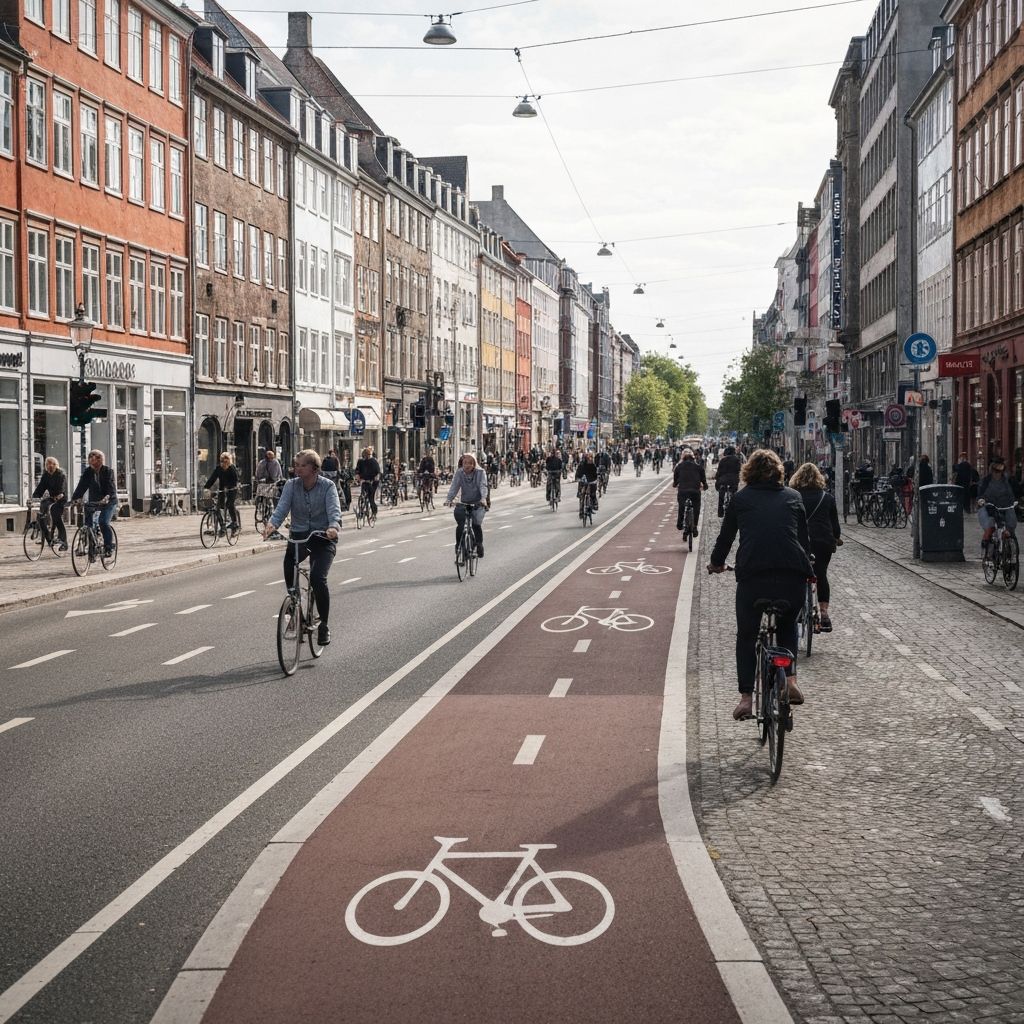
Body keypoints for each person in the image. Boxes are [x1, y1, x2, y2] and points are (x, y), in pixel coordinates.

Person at [708, 449, 813, 721]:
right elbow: (804, 541)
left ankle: (746, 699)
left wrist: (716, 563)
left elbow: (725, 538)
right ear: (779, 472)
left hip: (753, 578)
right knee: (788, 624)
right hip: (792, 576)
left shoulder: (741, 499)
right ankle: (791, 682)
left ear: (748, 472)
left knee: (746, 635)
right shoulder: (794, 497)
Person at [263, 449, 341, 646]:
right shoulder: (291, 485)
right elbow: (282, 508)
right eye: (296, 465)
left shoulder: (328, 486)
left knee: (317, 578)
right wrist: (272, 524)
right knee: (289, 563)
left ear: (314, 468)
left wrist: (333, 527)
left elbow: (334, 510)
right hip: (299, 537)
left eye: (303, 465)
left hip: (322, 537)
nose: (298, 469)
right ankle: (294, 604)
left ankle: (324, 625)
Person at [790, 462, 841, 632]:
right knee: (821, 574)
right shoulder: (827, 498)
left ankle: (798, 609)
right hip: (822, 542)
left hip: (798, 542)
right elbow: (835, 526)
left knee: (797, 575)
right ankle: (824, 613)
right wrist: (836, 538)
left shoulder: (792, 496)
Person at [71, 449, 118, 555]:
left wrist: (107, 497)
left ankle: (108, 547)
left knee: (103, 522)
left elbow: (110, 487)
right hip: (94, 501)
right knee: (88, 524)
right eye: (90, 458)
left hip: (109, 501)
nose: (92, 460)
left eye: (95, 457)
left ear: (101, 459)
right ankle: (88, 548)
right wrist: (75, 499)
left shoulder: (108, 471)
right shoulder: (88, 472)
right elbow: (81, 487)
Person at [445, 452, 489, 558]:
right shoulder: (459, 473)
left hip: (478, 502)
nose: (467, 465)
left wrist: (483, 499)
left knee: (476, 524)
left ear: (474, 464)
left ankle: (479, 544)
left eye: (470, 463)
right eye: (465, 463)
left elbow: (483, 486)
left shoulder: (480, 472)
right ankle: (459, 546)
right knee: (461, 524)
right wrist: (449, 499)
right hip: (464, 502)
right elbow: (454, 486)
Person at [977, 456, 1019, 550]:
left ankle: (1011, 549)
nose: (997, 473)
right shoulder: (986, 481)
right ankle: (987, 546)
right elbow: (980, 493)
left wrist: (1016, 501)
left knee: (1011, 524)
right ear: (991, 470)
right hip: (989, 507)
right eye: (995, 470)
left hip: (1006, 506)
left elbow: (1015, 492)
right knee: (989, 525)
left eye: (999, 470)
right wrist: (981, 500)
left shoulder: (1008, 480)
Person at [32, 456, 68, 550]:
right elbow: (41, 487)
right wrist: (35, 497)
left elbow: (62, 488)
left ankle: (63, 541)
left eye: (52, 464)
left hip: (61, 498)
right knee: (42, 510)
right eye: (47, 464)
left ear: (56, 465)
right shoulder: (46, 475)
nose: (49, 466)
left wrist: (59, 495)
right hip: (52, 498)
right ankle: (47, 537)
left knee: (55, 514)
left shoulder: (61, 474)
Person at [673, 448, 707, 535]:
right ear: (693, 458)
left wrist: (675, 484)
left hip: (683, 490)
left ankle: (680, 524)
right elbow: (703, 478)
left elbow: (675, 478)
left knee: (681, 506)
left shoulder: (679, 467)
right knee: (696, 507)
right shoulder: (698, 467)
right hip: (695, 491)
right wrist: (705, 485)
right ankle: (695, 526)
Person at [204, 452, 240, 534]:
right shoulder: (218, 469)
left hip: (232, 489)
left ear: (229, 462)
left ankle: (234, 522)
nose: (224, 464)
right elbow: (212, 478)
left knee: (229, 504)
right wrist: (206, 487)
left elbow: (235, 480)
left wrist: (229, 487)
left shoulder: (232, 468)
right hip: (222, 489)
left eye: (226, 462)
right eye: (222, 461)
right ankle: (222, 526)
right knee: (218, 508)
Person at [715, 446, 742, 517]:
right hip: (734, 481)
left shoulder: (722, 460)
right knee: (734, 494)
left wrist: (717, 480)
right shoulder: (737, 460)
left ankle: (720, 513)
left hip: (723, 481)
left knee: (721, 496)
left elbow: (719, 472)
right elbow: (739, 470)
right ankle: (734, 511)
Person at [354, 446, 381, 517]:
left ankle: (374, 512)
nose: (366, 457)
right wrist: (357, 476)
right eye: (365, 456)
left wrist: (375, 478)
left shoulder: (373, 461)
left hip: (372, 482)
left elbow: (377, 471)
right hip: (364, 480)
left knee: (371, 497)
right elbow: (357, 470)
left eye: (368, 455)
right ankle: (361, 511)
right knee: (363, 495)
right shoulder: (360, 461)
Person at [575, 451, 599, 516]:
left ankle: (594, 503)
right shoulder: (581, 465)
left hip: (591, 481)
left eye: (590, 457)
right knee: (582, 495)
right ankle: (581, 511)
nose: (589, 459)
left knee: (593, 493)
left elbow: (595, 473)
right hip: (583, 482)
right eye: (588, 458)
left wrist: (596, 479)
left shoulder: (592, 465)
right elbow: (578, 472)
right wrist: (577, 478)